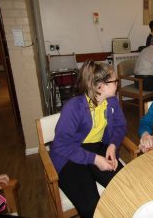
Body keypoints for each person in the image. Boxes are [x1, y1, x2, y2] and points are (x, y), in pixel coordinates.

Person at [50, 60, 126, 218]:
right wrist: (95, 159)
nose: (117, 84)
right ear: (101, 86)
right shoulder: (74, 107)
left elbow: (120, 127)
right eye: (115, 81)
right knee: (91, 206)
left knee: (125, 186)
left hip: (96, 148)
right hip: (69, 156)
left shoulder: (111, 101)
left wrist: (112, 145)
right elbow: (61, 145)